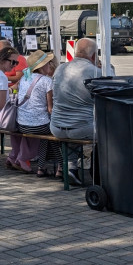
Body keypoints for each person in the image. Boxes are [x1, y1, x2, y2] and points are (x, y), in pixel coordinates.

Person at [50, 38, 105, 183]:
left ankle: (70, 167)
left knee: (74, 124)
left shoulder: (60, 68)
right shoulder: (95, 72)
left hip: (56, 127)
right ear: (94, 56)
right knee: (109, 132)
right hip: (81, 128)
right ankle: (101, 172)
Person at [7, 50, 59, 177]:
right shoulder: (47, 81)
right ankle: (61, 167)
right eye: (48, 63)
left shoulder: (24, 78)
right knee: (55, 135)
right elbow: (50, 109)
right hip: (38, 126)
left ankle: (41, 168)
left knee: (44, 138)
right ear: (42, 66)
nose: (50, 66)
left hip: (21, 124)